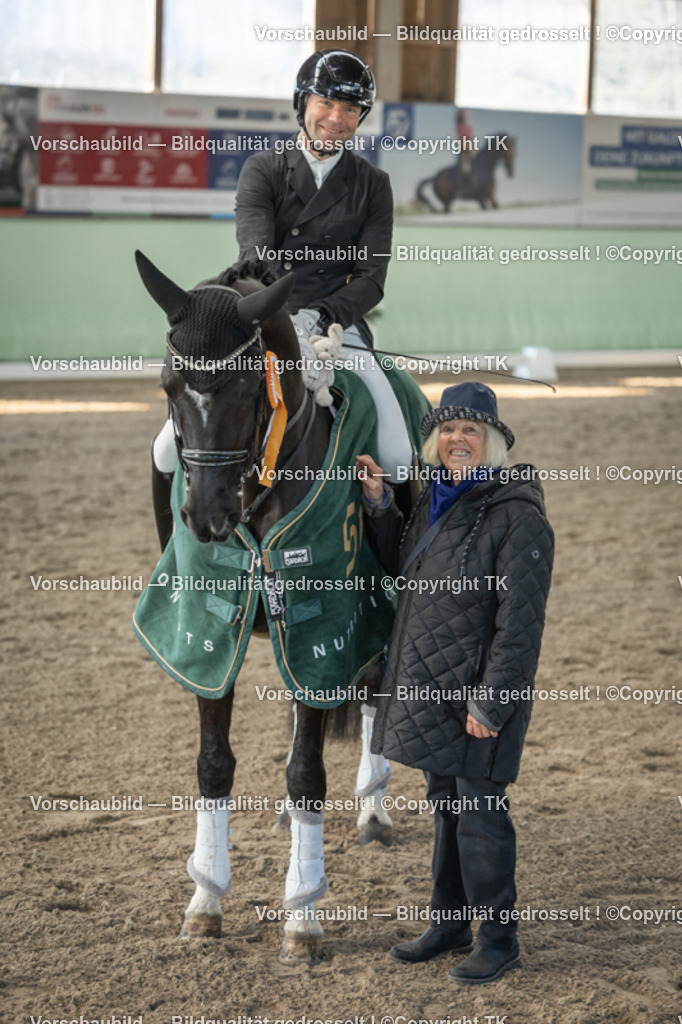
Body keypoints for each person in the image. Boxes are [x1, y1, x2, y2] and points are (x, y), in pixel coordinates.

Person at [355, 381, 554, 985]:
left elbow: (520, 625)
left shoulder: (517, 515)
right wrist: (381, 504)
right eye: (447, 430)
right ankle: (449, 924)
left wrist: (491, 702)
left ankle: (499, 940)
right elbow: (403, 566)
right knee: (445, 808)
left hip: (478, 695)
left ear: (491, 441)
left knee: (481, 812)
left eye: (470, 430)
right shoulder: (433, 499)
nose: (457, 439)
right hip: (430, 686)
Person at [234, 48, 413, 480]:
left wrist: (320, 317)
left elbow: (372, 279)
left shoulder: (373, 184)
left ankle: (399, 544)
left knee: (397, 452)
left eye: (350, 109)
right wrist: (286, 318)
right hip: (266, 315)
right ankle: (174, 546)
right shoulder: (264, 169)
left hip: (337, 326)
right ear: (303, 104)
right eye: (326, 103)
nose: (337, 118)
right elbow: (256, 257)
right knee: (168, 446)